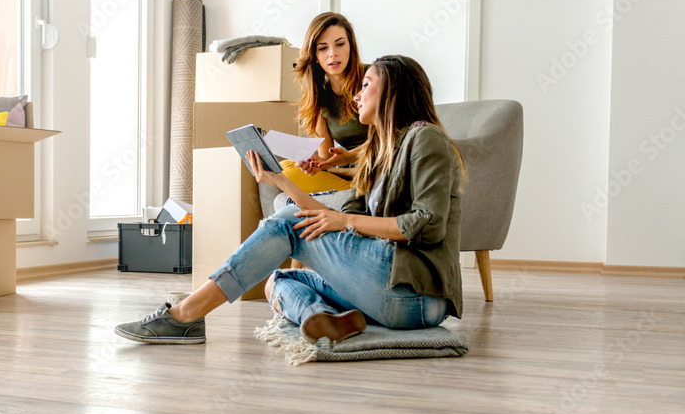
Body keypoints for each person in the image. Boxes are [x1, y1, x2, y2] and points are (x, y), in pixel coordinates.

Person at [115, 55, 465, 345]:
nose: (356, 96)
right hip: (386, 291)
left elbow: (427, 225)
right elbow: (328, 218)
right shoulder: (379, 153)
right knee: (279, 280)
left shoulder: (426, 138)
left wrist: (346, 221)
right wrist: (279, 180)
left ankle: (185, 315)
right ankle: (322, 318)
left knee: (286, 223)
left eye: (365, 85)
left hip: (417, 296)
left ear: (392, 90)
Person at [283, 12, 369, 194]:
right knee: (286, 168)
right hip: (349, 173)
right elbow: (327, 158)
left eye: (340, 44)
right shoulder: (319, 96)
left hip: (381, 166)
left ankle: (361, 192)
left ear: (351, 47)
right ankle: (353, 192)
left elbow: (392, 138)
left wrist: (347, 157)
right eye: (323, 48)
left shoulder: (373, 78)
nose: (332, 53)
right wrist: (314, 164)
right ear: (314, 55)